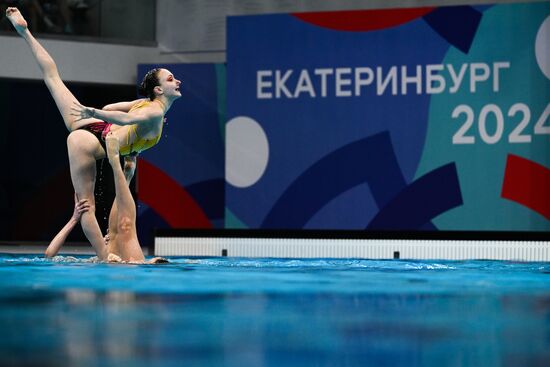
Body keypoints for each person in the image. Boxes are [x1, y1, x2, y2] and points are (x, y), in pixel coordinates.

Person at [6, 7, 181, 260]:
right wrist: (96, 113)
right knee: (87, 204)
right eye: (171, 79)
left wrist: (99, 116)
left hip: (93, 130)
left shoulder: (144, 105)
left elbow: (113, 110)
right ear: (159, 90)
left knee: (53, 79)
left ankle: (25, 32)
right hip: (90, 139)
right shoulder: (153, 112)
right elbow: (124, 118)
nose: (177, 82)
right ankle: (103, 256)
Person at [45, 134, 167, 264]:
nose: (105, 237)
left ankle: (122, 170)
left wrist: (74, 218)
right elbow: (49, 255)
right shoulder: (98, 261)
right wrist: (74, 219)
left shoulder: (96, 261)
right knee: (125, 226)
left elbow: (48, 256)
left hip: (115, 262)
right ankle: (123, 171)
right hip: (130, 265)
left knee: (121, 230)